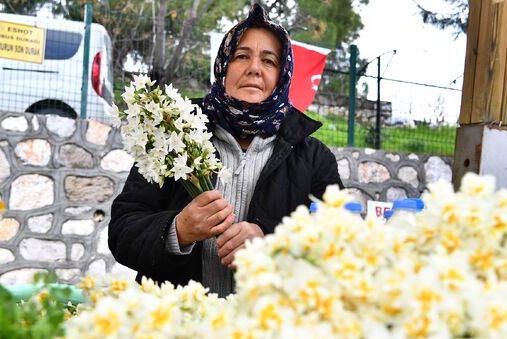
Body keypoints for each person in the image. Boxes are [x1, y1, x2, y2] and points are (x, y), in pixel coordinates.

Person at [108, 3, 343, 296]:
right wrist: (178, 230)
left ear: (283, 74)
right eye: (241, 56)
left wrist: (275, 247)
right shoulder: (173, 134)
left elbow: (339, 247)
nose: (254, 69)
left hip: (268, 331)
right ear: (222, 67)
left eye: (269, 61)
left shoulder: (314, 158)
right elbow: (121, 232)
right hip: (173, 328)